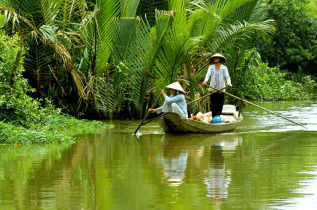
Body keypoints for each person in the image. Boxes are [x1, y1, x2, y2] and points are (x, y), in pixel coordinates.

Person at [202, 53, 232, 119]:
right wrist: (205, 81)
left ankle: (219, 117)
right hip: (213, 89)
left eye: (217, 58)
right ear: (213, 59)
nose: (215, 59)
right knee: (213, 104)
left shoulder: (224, 68)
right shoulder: (211, 67)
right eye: (214, 58)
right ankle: (213, 117)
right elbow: (208, 74)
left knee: (220, 104)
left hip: (221, 89)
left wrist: (229, 83)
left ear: (220, 59)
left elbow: (227, 77)